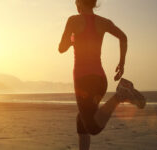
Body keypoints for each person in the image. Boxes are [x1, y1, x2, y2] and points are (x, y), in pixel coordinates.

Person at [58, 0, 146, 149]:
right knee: (82, 118)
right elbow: (123, 37)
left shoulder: (73, 20)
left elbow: (61, 48)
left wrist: (73, 39)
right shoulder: (103, 22)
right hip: (100, 80)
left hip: (83, 81)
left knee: (92, 126)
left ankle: (120, 95)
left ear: (79, 3)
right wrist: (121, 64)